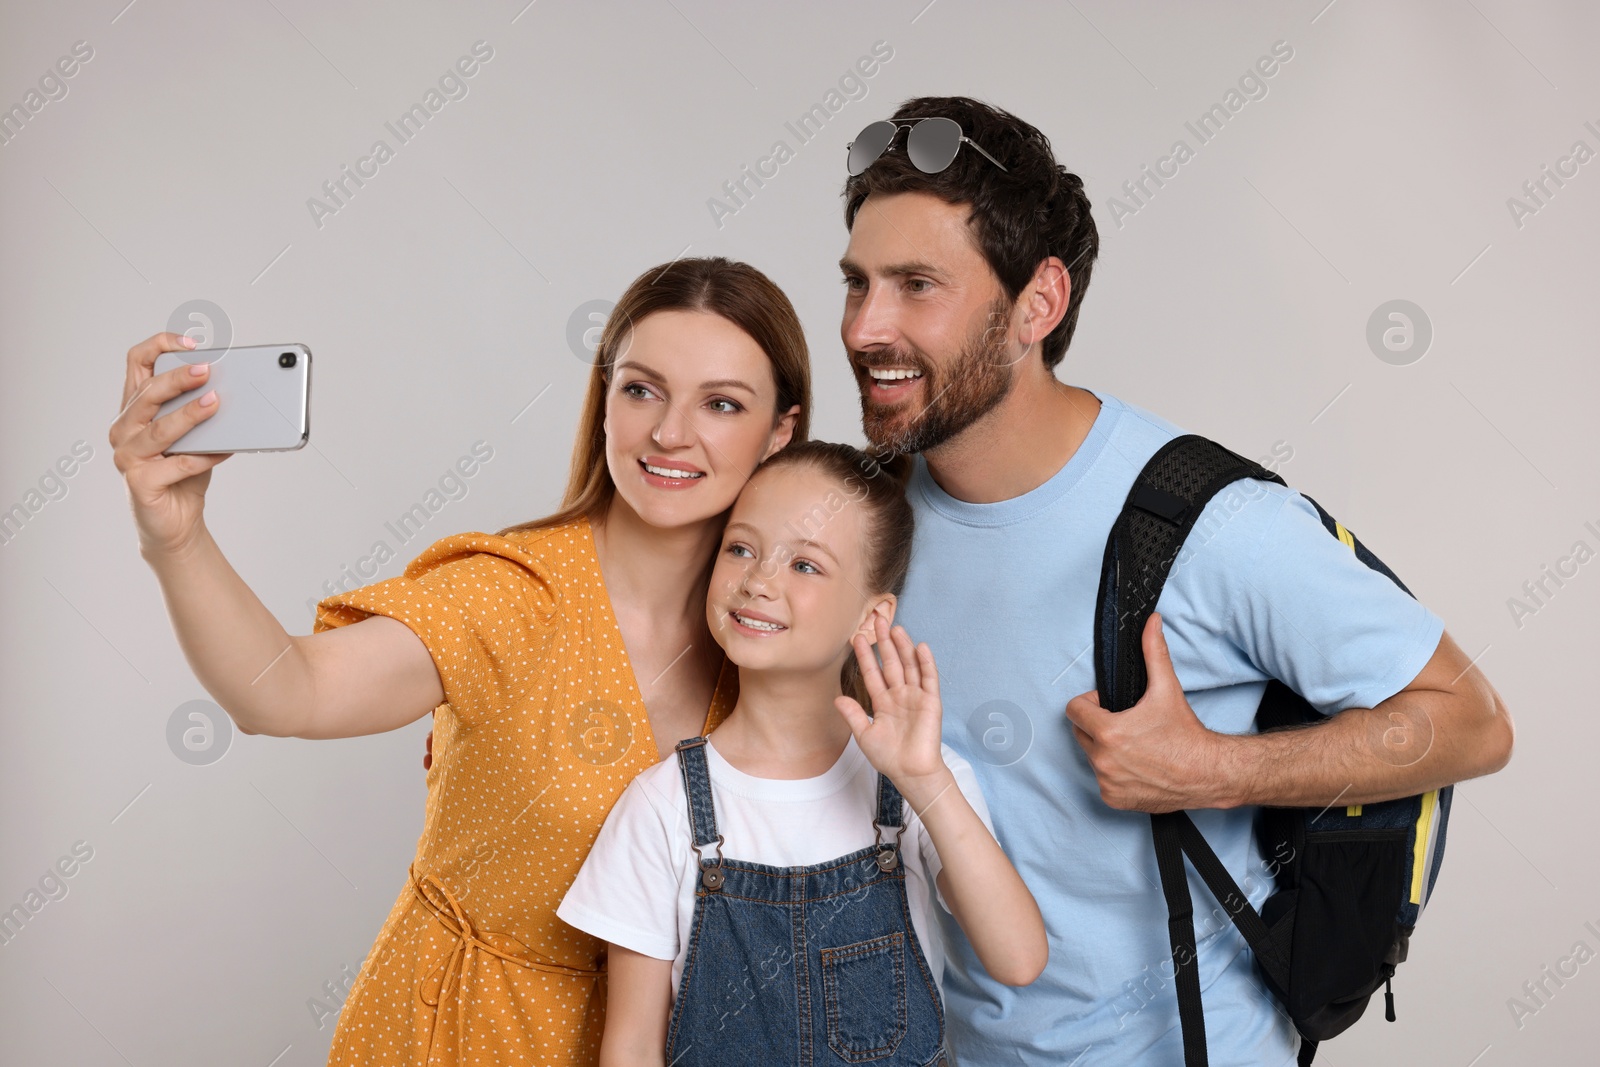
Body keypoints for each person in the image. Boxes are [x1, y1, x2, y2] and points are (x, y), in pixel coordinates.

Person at [833, 96, 1515, 1065]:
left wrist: (1211, 769)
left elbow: (1472, 720)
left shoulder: (1209, 523)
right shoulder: (867, 520)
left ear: (1039, 302)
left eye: (915, 285)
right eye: (856, 283)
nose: (865, 326)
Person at [110, 256, 808, 1065]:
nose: (670, 432)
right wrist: (176, 534)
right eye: (642, 389)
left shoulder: (774, 639)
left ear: (780, 432)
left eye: (721, 403)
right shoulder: (511, 597)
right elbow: (285, 693)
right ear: (605, 397)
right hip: (455, 1035)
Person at [556, 441, 1048, 1066]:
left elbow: (1019, 958)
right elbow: (630, 1049)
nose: (758, 580)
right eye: (741, 548)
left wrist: (924, 780)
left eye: (805, 566)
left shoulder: (921, 782)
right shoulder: (662, 807)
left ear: (871, 617)